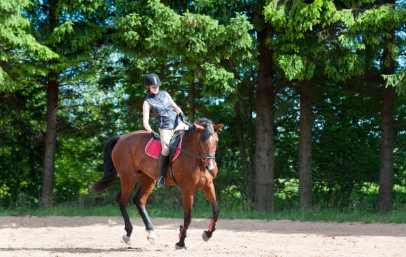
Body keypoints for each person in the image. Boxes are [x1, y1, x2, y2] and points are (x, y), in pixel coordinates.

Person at [142, 73, 188, 188]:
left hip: (178, 123)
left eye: (157, 86)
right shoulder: (147, 102)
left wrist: (180, 113)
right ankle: (161, 176)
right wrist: (152, 132)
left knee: (194, 134)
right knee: (166, 149)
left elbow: (176, 107)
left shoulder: (165, 94)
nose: (156, 88)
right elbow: (145, 122)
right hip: (165, 128)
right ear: (147, 86)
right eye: (153, 86)